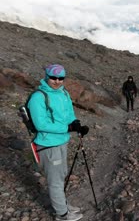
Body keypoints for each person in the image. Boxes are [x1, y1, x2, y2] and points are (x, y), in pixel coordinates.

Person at [28, 64, 89, 221]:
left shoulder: (63, 93)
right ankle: (62, 214)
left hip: (62, 141)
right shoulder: (38, 97)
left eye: (60, 78)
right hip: (48, 144)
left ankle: (63, 205)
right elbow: (41, 124)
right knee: (55, 181)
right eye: (53, 78)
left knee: (61, 175)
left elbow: (69, 113)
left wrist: (76, 124)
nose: (57, 81)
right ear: (47, 76)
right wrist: (67, 127)